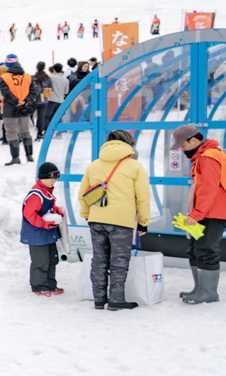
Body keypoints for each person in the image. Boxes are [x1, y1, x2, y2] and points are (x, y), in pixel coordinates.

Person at [78, 130, 150, 311]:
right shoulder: (134, 166)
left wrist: (87, 214)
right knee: (119, 261)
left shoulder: (94, 165)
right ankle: (116, 299)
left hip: (97, 219)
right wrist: (143, 221)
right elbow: (143, 197)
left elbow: (83, 194)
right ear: (129, 144)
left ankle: (99, 300)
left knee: (99, 259)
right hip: (122, 221)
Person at [172, 124, 226, 304]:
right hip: (206, 212)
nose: (182, 149)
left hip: (213, 212)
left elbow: (209, 189)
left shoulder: (209, 157)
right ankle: (200, 289)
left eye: (183, 145)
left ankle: (209, 293)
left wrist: (197, 213)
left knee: (206, 249)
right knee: (195, 249)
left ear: (194, 139)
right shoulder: (201, 157)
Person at [22, 162, 66, 296]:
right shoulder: (36, 194)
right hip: (37, 234)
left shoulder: (46, 192)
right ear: (42, 178)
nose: (55, 180)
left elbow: (46, 209)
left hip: (47, 233)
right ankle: (39, 285)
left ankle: (50, 283)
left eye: (57, 176)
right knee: (41, 260)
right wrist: (43, 224)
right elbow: (29, 214)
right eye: (52, 176)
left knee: (52, 258)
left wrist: (57, 211)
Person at [0, 55, 40, 165]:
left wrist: (15, 101)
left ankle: (15, 157)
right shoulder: (28, 77)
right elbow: (34, 92)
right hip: (24, 109)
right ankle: (29, 156)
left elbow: (5, 93)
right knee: (25, 132)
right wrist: (25, 101)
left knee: (11, 133)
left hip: (10, 109)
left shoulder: (4, 77)